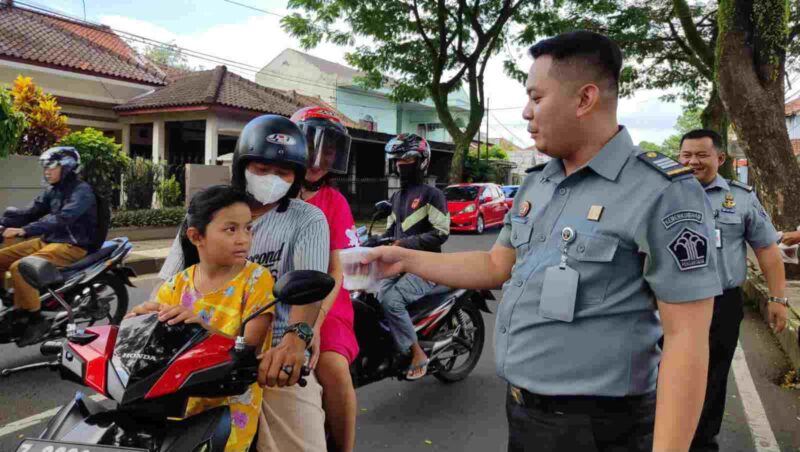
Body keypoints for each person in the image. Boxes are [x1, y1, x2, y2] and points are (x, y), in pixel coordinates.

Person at [363, 31, 722, 451]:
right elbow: (497, 265)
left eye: (537, 97)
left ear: (584, 100)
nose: (526, 112)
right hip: (525, 415)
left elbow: (688, 339)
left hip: (602, 429)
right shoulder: (539, 183)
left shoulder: (662, 191)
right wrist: (404, 258)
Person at [156, 115, 330, 452]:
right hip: (193, 357)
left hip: (271, 359)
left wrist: (296, 342)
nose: (271, 179)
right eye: (262, 169)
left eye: (283, 173)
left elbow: (308, 292)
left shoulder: (307, 219)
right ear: (242, 165)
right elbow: (167, 284)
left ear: (296, 177)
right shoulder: (206, 213)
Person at [127, 185, 274, 452]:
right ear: (196, 236)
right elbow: (154, 346)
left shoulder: (257, 280)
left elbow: (247, 347)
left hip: (229, 408)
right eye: (231, 229)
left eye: (248, 228)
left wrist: (201, 327)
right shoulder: (175, 286)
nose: (243, 239)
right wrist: (137, 325)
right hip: (178, 406)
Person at [677, 129, 788, 451]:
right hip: (670, 302)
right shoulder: (662, 194)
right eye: (686, 155)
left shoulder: (740, 198)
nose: (693, 162)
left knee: (713, 376)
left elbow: (767, 249)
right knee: (660, 371)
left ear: (720, 158)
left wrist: (778, 297)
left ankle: (701, 441)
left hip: (721, 303)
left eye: (701, 155)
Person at [291, 106, 359, 452]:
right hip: (272, 299)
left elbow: (337, 271)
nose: (320, 158)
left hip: (327, 304)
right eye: (313, 146)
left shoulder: (335, 202)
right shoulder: (273, 196)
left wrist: (314, 323)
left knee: (333, 366)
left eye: (329, 150)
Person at [0, 146, 97, 345]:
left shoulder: (82, 191)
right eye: (45, 167)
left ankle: (36, 319)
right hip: (49, 240)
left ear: (67, 167)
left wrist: (24, 231)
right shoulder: (53, 190)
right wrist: (5, 222)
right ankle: (12, 301)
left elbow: (63, 218)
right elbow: (30, 212)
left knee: (20, 267)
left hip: (72, 245)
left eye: (51, 166)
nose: (46, 171)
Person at [379, 133, 449, 380]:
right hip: (400, 265)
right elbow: (389, 231)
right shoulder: (397, 197)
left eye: (407, 158)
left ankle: (418, 353)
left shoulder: (432, 195)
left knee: (391, 301)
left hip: (427, 267)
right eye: (398, 159)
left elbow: (441, 233)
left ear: (421, 161)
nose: (401, 163)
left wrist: (405, 243)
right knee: (373, 294)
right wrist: (370, 242)